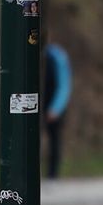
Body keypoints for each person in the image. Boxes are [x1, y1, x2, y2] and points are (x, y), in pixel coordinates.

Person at [42, 39, 72, 179]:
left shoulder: (57, 56)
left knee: (54, 139)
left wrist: (56, 108)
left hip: (52, 105)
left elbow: (64, 85)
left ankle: (53, 174)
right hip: (38, 103)